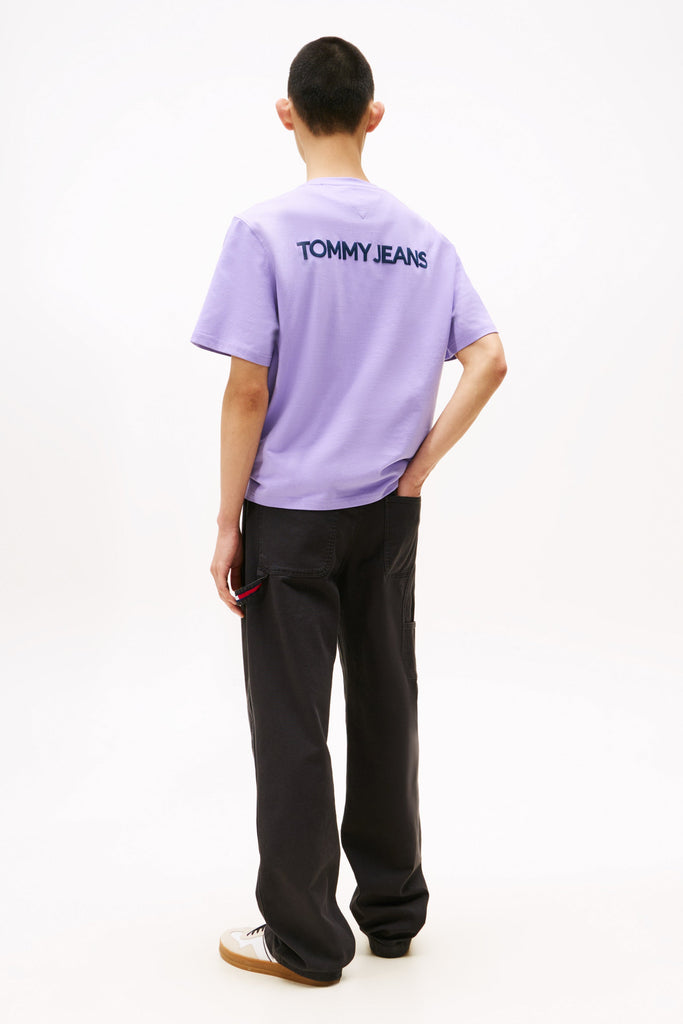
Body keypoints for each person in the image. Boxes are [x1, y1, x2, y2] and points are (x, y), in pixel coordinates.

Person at [189, 36, 507, 988]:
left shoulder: (263, 231)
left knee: (293, 724)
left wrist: (226, 521)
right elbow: (489, 359)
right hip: (385, 514)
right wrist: (418, 466)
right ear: (373, 115)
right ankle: (394, 915)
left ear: (286, 112)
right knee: (385, 703)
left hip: (288, 514)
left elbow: (248, 389)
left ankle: (306, 941)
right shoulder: (423, 239)